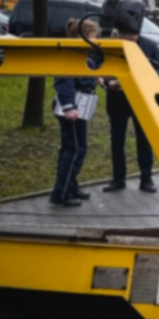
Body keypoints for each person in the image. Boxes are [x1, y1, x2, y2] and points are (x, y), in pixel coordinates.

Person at [103, 22, 159, 194]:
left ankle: (146, 179)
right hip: (117, 100)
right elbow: (103, 66)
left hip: (141, 99)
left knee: (144, 141)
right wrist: (108, 82)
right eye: (124, 37)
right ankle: (118, 179)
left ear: (137, 34)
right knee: (117, 141)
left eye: (131, 38)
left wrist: (149, 80)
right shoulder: (114, 45)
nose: (128, 40)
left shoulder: (149, 46)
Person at [50, 19, 101, 207]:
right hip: (72, 108)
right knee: (73, 149)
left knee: (77, 148)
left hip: (80, 106)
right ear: (81, 37)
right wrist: (68, 107)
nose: (95, 42)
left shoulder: (84, 58)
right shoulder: (69, 57)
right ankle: (61, 193)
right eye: (93, 37)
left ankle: (71, 186)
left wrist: (96, 79)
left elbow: (85, 77)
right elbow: (63, 83)